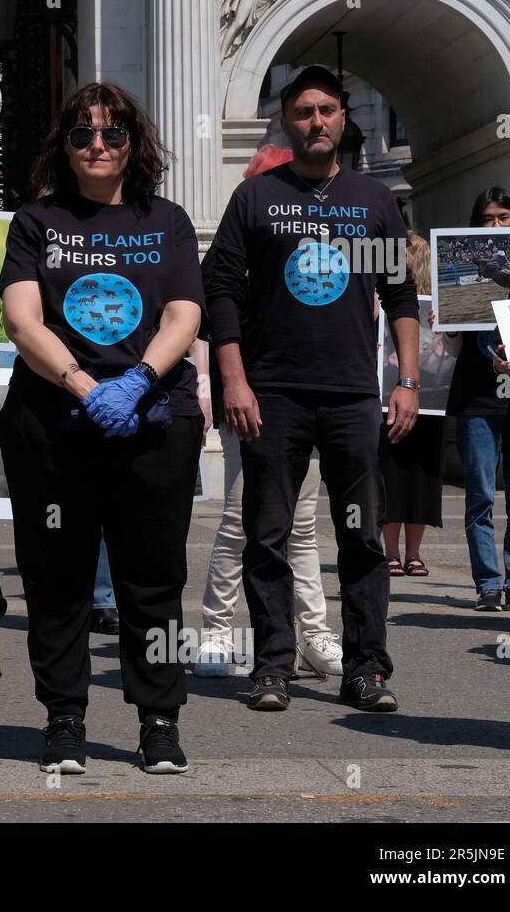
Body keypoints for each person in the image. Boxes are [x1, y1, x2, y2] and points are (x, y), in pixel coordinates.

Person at [0, 81, 205, 775]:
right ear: (63, 145)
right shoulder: (36, 222)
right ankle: (63, 719)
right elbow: (22, 320)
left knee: (154, 579)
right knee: (57, 579)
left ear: (133, 144)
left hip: (153, 422)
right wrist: (88, 387)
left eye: (112, 133)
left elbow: (184, 315)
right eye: (82, 133)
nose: (96, 145)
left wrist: (139, 380)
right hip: (53, 422)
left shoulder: (166, 220)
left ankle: (158, 721)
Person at [204, 65, 421, 714]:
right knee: (267, 536)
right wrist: (235, 379)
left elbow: (401, 295)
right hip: (274, 395)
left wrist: (406, 380)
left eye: (327, 110)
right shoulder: (256, 200)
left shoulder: (373, 200)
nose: (317, 121)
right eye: (304, 112)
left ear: (344, 117)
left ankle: (366, 671)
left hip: (354, 395)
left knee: (358, 536)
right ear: (286, 122)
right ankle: (272, 666)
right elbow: (221, 293)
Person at [196, 144, 343, 680]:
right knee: (241, 518)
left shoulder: (324, 245)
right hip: (254, 394)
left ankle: (312, 633)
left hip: (311, 394)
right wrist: (224, 382)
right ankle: (215, 629)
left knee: (302, 524)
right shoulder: (246, 232)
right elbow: (212, 304)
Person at [442, 188, 510, 611]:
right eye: (489, 219)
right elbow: (456, 339)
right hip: (477, 396)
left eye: (504, 217)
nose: (496, 226)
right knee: (480, 495)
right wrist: (445, 320)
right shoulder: (468, 270)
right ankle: (488, 584)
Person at [380, 232, 445, 579]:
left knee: (421, 475)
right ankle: (392, 552)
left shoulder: (435, 303)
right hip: (387, 393)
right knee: (391, 472)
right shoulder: (380, 296)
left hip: (431, 397)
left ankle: (413, 553)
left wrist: (443, 327)